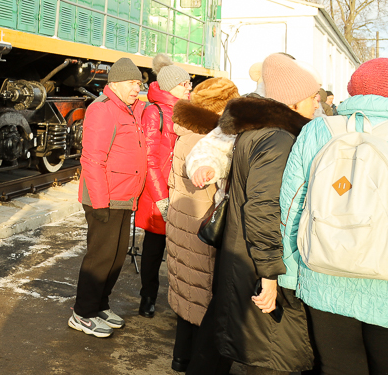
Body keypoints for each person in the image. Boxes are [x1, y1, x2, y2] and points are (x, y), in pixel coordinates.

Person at [194, 53, 318, 375]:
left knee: (225, 330)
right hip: (254, 259)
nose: (317, 103)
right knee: (268, 352)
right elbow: (263, 208)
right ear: (293, 101)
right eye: (312, 97)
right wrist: (270, 273)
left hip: (241, 253)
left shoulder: (259, 132)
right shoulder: (278, 139)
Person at [281, 58, 388, 375]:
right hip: (383, 277)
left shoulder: (317, 130)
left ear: (352, 91)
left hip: (323, 270)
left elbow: (292, 203)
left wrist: (287, 272)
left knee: (338, 366)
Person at [69, 57, 148, 338]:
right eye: (131, 83)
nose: (136, 88)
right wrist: (101, 203)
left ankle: (100, 304)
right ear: (114, 84)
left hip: (124, 196)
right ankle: (83, 313)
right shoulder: (103, 110)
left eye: (139, 83)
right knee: (100, 257)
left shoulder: (131, 110)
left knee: (115, 258)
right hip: (105, 197)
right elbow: (92, 159)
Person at [165, 77, 239, 373]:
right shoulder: (210, 140)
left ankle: (181, 357)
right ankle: (197, 361)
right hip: (201, 227)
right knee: (202, 296)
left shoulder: (186, 135)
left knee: (186, 291)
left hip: (182, 224)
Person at [136, 54, 192, 319]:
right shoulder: (154, 112)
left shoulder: (187, 112)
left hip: (183, 191)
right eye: (184, 84)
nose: (189, 88)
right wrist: (161, 199)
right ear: (171, 86)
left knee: (181, 250)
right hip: (160, 193)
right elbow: (149, 160)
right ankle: (148, 296)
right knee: (154, 247)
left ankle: (180, 298)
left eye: (189, 84)